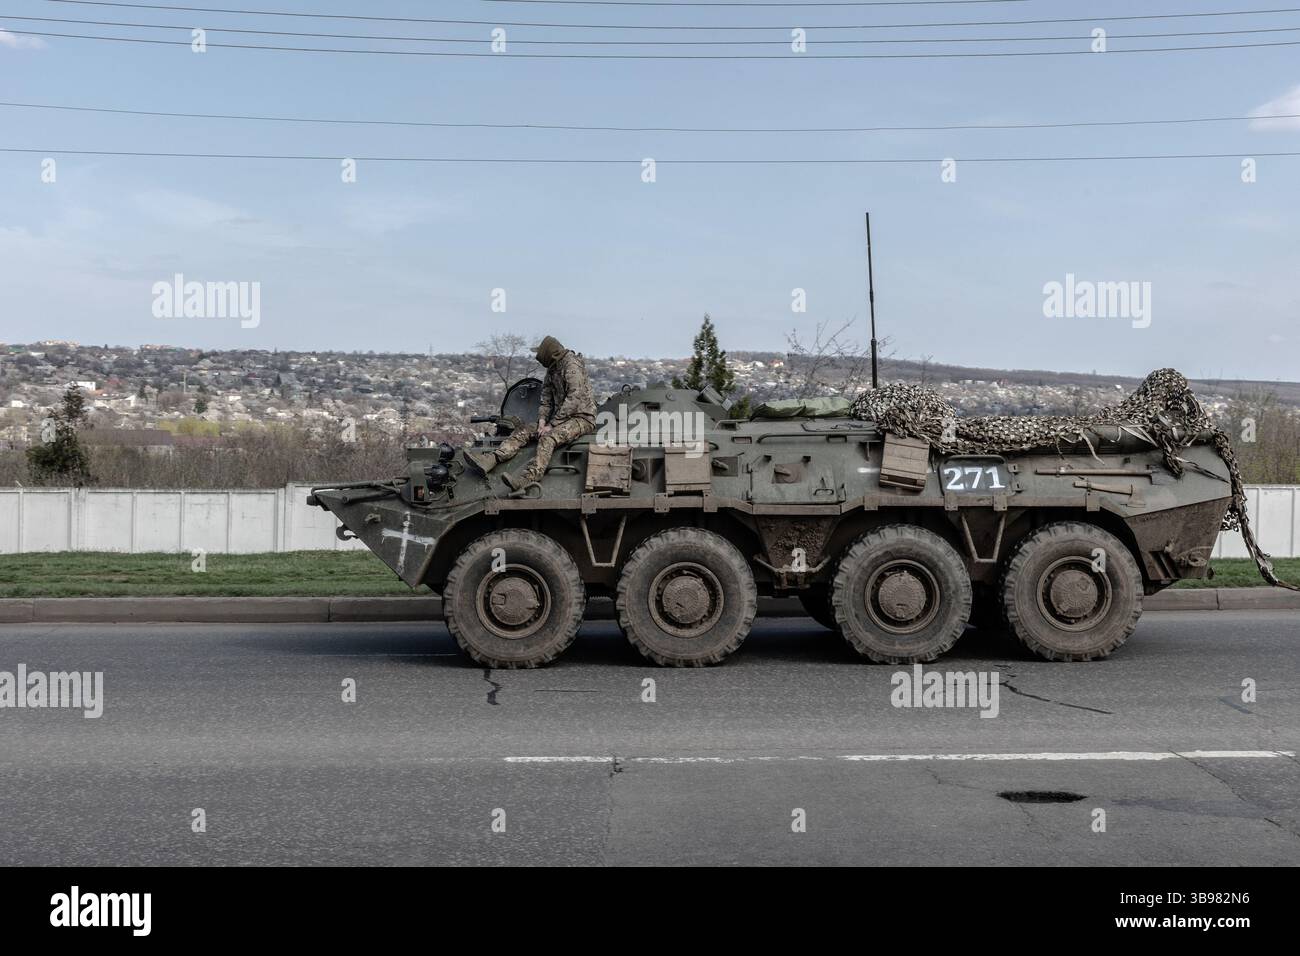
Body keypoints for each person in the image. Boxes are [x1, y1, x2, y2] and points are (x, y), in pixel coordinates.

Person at [466, 335, 596, 490]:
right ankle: (492, 459)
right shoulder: (553, 368)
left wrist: (552, 425)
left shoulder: (572, 366)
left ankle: (529, 477)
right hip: (561, 417)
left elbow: (574, 399)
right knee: (524, 430)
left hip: (582, 418)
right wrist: (542, 421)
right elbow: (546, 398)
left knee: (548, 439)